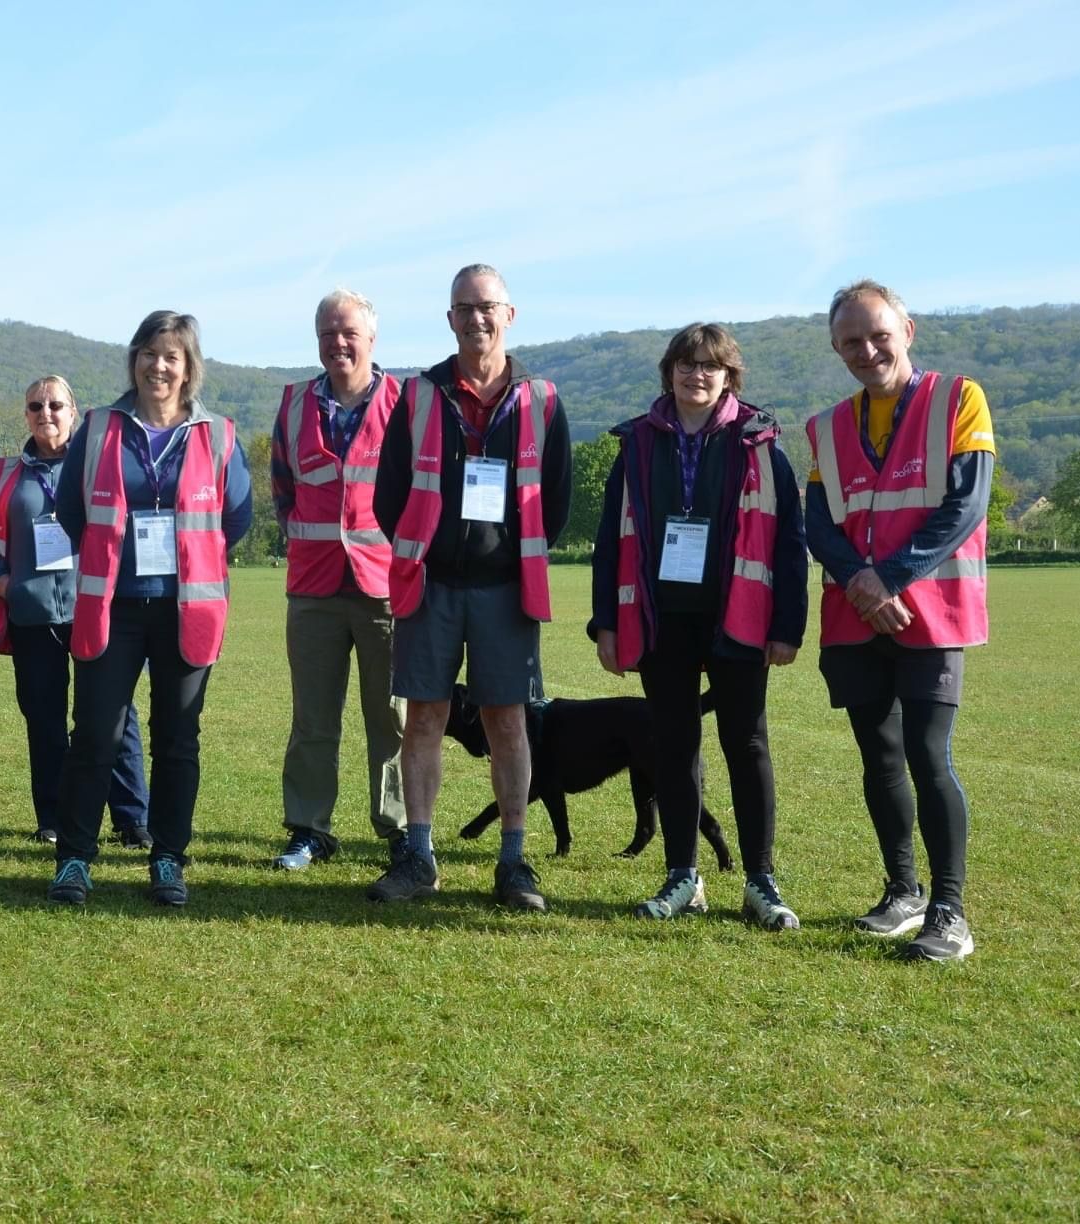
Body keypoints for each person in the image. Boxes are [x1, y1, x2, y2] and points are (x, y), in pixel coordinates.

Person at [590, 324, 809, 927]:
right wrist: (604, 622)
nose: (697, 374)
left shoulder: (760, 443)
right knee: (674, 745)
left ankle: (761, 881)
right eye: (686, 364)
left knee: (748, 742)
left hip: (739, 612)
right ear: (669, 372)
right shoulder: (637, 442)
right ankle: (683, 875)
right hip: (662, 618)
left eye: (710, 366)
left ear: (729, 376)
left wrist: (787, 625)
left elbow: (791, 539)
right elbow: (611, 540)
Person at [371, 264, 571, 908]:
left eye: (488, 306)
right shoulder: (420, 395)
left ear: (508, 315)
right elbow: (389, 495)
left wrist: (510, 554)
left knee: (507, 722)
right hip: (431, 586)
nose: (477, 317)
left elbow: (558, 499)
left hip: (506, 590)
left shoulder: (541, 399)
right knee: (424, 718)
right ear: (450, 319)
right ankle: (420, 856)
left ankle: (513, 862)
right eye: (465, 307)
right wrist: (425, 553)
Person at [806, 280, 994, 962]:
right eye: (850, 342)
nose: (867, 349)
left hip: (932, 613)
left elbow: (966, 507)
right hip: (857, 618)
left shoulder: (959, 399)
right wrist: (862, 584)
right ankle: (904, 890)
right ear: (836, 349)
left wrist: (886, 577)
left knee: (926, 752)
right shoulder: (826, 428)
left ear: (906, 330)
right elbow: (817, 525)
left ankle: (949, 911)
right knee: (879, 756)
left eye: (878, 334)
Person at [46, 311, 252, 907]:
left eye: (172, 357)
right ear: (133, 360)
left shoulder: (218, 436)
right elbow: (71, 510)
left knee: (177, 741)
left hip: (187, 610)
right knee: (95, 737)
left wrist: (194, 557)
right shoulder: (100, 427)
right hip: (112, 609)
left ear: (188, 368)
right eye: (149, 354)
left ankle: (168, 858)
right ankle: (75, 860)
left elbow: (233, 518)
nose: (158, 366)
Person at [0, 375, 150, 846]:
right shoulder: (5, 476)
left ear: (74, 412)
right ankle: (53, 818)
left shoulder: (99, 468)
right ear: (26, 415)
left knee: (113, 717)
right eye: (35, 406)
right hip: (31, 617)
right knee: (44, 722)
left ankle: (132, 820)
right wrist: (3, 582)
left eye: (55, 405)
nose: (45, 413)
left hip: (94, 610)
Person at [268, 289, 407, 870]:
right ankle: (309, 829)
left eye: (348, 332)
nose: (337, 343)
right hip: (315, 588)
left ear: (372, 337)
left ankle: (401, 828)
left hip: (386, 587)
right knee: (313, 720)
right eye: (327, 334)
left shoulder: (407, 402)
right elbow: (282, 487)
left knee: (393, 718)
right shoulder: (296, 403)